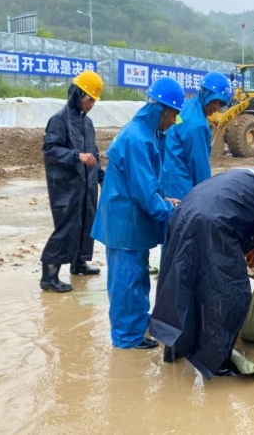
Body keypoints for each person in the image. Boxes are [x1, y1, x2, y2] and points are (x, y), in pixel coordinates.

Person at [150, 162, 254, 379]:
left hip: (185, 214)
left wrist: (250, 248)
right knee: (233, 295)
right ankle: (217, 362)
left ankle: (175, 348)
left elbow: (242, 214)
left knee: (184, 283)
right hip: (211, 224)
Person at [91, 77, 185, 350]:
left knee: (137, 278)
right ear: (161, 110)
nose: (173, 122)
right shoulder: (137, 138)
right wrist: (173, 213)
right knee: (126, 282)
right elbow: (144, 193)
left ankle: (136, 326)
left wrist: (166, 200)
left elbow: (148, 184)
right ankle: (126, 338)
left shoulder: (147, 134)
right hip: (125, 223)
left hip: (131, 221)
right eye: (173, 116)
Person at [40, 70, 105, 293]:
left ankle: (79, 264)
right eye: (89, 99)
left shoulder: (87, 123)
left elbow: (93, 154)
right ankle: (49, 276)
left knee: (86, 222)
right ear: (77, 94)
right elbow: (50, 149)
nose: (92, 104)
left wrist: (101, 177)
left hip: (87, 185)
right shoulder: (59, 120)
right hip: (66, 186)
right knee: (66, 227)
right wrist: (76, 155)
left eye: (94, 100)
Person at [161, 71, 232, 200]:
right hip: (181, 189)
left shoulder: (186, 106)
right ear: (205, 94)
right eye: (214, 101)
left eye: (220, 103)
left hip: (166, 180)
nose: (216, 107)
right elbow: (200, 167)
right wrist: (207, 197)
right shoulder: (197, 125)